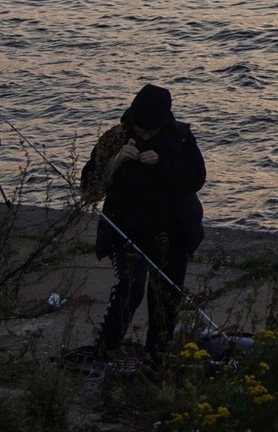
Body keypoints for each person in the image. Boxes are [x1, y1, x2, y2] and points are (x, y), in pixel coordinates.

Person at [81, 84, 206, 357]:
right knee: (130, 288)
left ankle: (157, 359)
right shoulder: (114, 138)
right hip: (125, 231)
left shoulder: (182, 139)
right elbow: (89, 190)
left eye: (151, 132)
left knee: (166, 300)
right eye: (140, 131)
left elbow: (195, 180)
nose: (145, 135)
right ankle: (105, 349)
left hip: (172, 233)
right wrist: (114, 163)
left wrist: (163, 163)